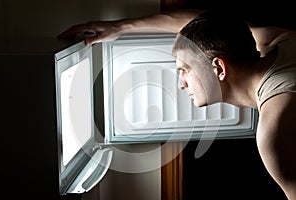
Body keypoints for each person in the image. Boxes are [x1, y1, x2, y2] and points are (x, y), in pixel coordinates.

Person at [58, 9, 296, 199]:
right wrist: (122, 26)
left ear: (219, 69)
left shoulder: (274, 132)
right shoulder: (279, 42)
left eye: (184, 70)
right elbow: (208, 26)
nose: (181, 84)